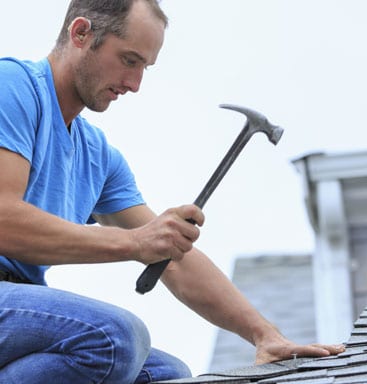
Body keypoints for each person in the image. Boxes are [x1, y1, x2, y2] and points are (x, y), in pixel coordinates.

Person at [0, 0, 345, 383]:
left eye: (144, 68)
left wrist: (263, 334)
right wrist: (134, 243)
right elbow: (5, 222)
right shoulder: (12, 87)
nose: (134, 85)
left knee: (168, 375)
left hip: (17, 308)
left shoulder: (97, 157)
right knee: (115, 338)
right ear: (81, 33)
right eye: (128, 60)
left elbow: (173, 258)